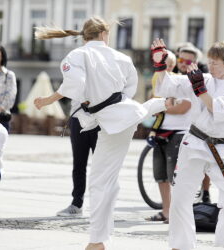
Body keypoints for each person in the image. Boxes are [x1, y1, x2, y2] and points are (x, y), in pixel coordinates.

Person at [33, 17, 168, 250]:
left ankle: (97, 241)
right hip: (120, 118)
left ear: (84, 36)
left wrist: (47, 100)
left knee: (98, 182)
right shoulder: (122, 58)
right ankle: (101, 239)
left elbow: (74, 85)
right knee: (108, 182)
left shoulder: (78, 55)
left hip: (114, 121)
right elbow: (129, 89)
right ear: (105, 35)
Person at [152, 39, 224, 250]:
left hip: (220, 148)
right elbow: (168, 86)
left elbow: (219, 111)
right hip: (194, 142)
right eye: (210, 61)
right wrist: (160, 66)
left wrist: (201, 90)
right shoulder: (202, 78)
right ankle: (181, 245)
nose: (210, 66)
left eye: (216, 63)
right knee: (180, 198)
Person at [145, 51, 192, 223]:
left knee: (175, 177)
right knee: (161, 176)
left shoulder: (182, 82)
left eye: (172, 64)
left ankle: (179, 213)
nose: (169, 67)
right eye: (167, 64)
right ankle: (167, 211)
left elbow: (183, 108)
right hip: (160, 132)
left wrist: (161, 106)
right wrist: (165, 104)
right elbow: (152, 103)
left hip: (178, 133)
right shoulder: (158, 83)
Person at [173, 43, 212, 203]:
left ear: (194, 63)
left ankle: (206, 191)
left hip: (199, 126)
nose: (183, 63)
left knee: (205, 161)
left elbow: (186, 105)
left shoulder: (202, 75)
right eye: (181, 59)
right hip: (181, 126)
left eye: (188, 62)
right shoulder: (175, 73)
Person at [56, 101, 100, 217]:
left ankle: (101, 205)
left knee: (101, 167)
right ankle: (76, 204)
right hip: (77, 118)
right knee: (79, 165)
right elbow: (67, 88)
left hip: (100, 120)